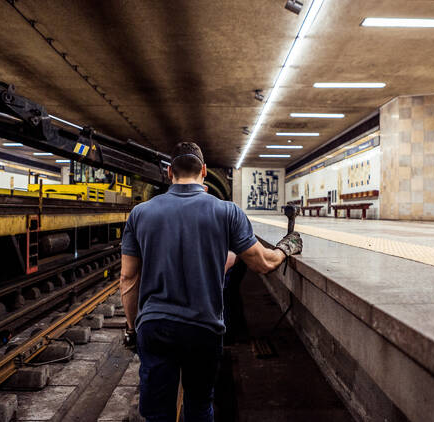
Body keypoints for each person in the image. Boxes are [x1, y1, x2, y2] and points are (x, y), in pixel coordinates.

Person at [119, 141, 302, 422]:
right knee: (200, 406)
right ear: (204, 171)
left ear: (170, 172)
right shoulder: (227, 212)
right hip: (203, 328)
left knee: (157, 414)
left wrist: (132, 328)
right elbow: (263, 263)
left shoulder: (140, 214)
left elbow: (128, 278)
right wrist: (285, 248)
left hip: (156, 326)